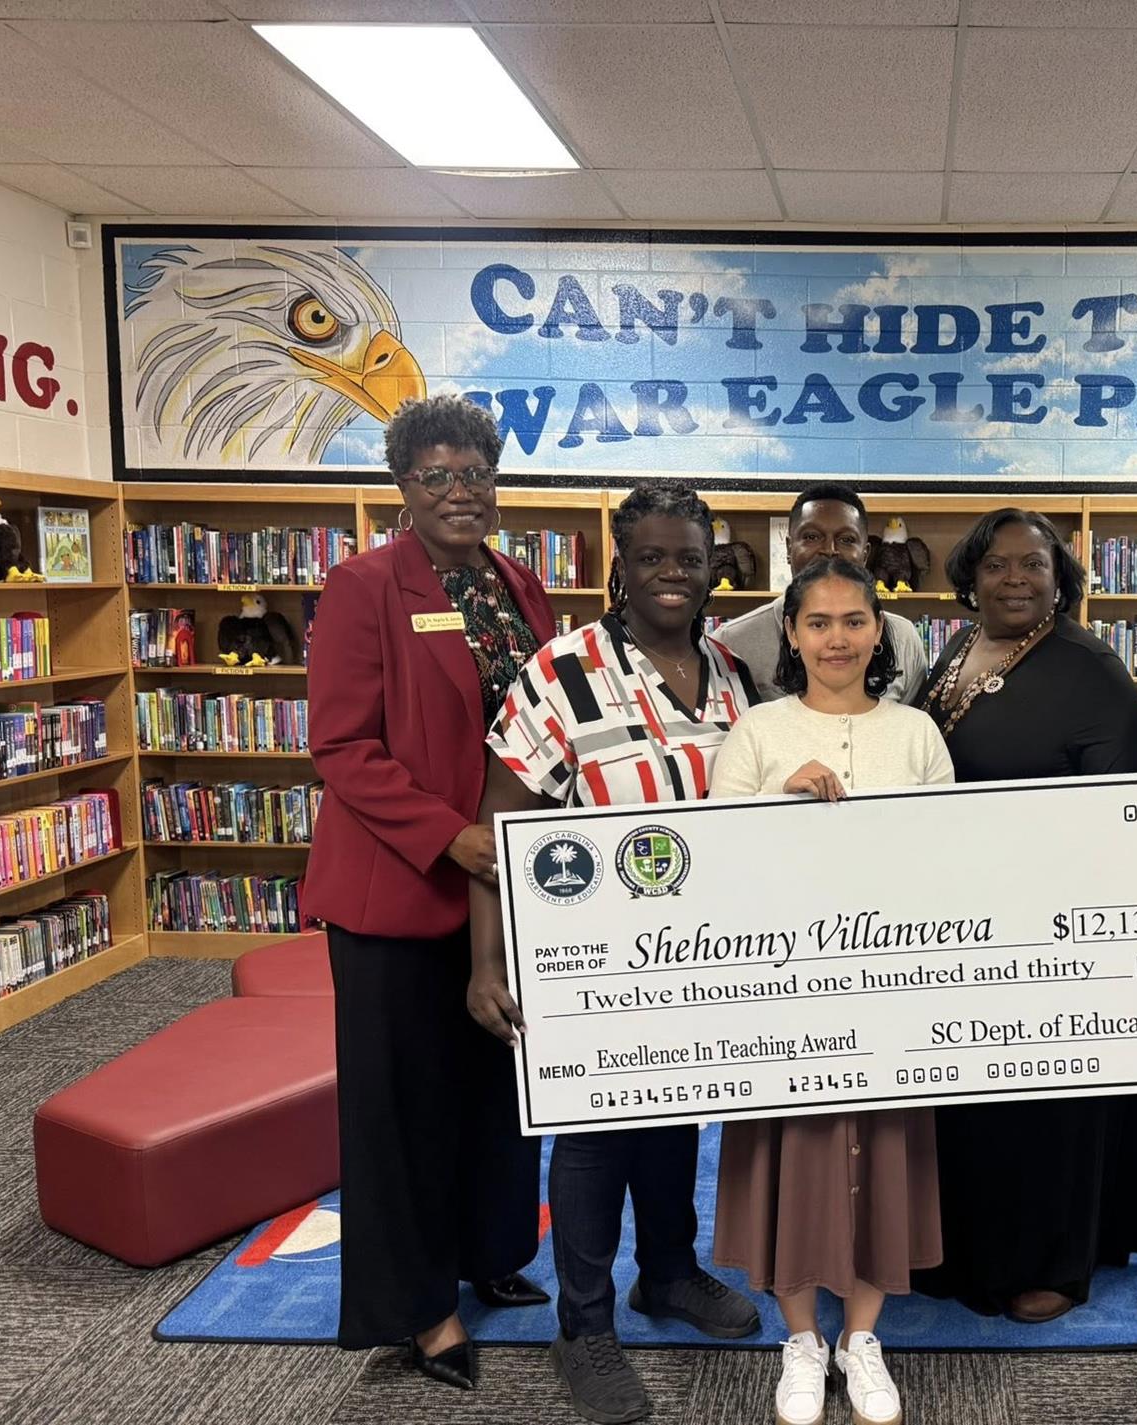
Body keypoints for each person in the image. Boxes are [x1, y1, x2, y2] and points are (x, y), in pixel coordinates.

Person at [466, 480, 762, 1424]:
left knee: (676, 1115)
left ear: (714, 566)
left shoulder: (735, 676)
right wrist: (489, 962)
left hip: (699, 953)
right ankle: (583, 1326)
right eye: (652, 556)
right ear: (618, 568)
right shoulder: (561, 671)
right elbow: (496, 828)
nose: (673, 573)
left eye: (690, 556)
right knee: (592, 1137)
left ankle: (667, 1272)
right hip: (588, 956)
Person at [302, 394, 554, 1390]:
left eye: (476, 473)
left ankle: (491, 1253)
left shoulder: (521, 585)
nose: (461, 491)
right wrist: (446, 836)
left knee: (495, 1090)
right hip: (400, 895)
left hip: (504, 888)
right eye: (436, 475)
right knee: (403, 1111)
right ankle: (419, 1312)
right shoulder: (364, 585)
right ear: (403, 486)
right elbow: (342, 748)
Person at [710, 556, 954, 1425]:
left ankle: (861, 1336)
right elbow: (715, 858)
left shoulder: (916, 732)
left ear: (879, 632)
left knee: (882, 1154)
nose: (839, 638)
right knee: (793, 1155)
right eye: (820, 622)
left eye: (856, 620)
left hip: (889, 990)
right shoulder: (759, 731)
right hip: (786, 995)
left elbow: (951, 852)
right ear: (792, 633)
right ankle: (802, 1337)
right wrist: (779, 798)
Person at [909, 508, 1137, 1323]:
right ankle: (965, 1247)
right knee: (976, 1095)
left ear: (1062, 578)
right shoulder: (956, 647)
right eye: (997, 564)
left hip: (1051, 924)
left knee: (1049, 1104)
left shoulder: (1090, 669)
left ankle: (1057, 1260)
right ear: (971, 575)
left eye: (1034, 565)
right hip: (959, 912)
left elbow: (1119, 815)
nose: (1015, 578)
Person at [716, 482, 930, 702]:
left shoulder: (904, 639)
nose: (829, 550)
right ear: (789, 549)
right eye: (811, 537)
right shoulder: (732, 643)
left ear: (865, 554)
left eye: (846, 540)